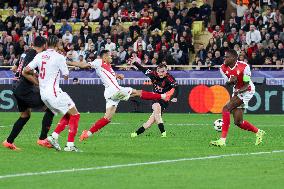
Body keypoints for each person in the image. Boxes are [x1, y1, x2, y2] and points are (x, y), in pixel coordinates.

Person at [79, 50, 174, 141]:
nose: (111, 56)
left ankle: (87, 134)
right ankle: (163, 96)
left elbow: (110, 75)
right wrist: (67, 62)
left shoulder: (108, 66)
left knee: (107, 118)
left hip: (110, 93)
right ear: (104, 57)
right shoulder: (98, 62)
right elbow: (84, 65)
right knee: (138, 92)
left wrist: (117, 76)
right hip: (115, 91)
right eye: (109, 55)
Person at [23, 35, 81, 152]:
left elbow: (26, 70)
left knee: (69, 114)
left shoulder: (39, 55)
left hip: (44, 95)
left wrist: (37, 74)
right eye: (59, 43)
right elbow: (65, 76)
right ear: (56, 45)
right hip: (54, 92)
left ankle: (53, 137)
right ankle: (70, 145)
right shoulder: (59, 57)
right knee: (75, 114)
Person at [3, 36, 54, 150]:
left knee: (25, 115)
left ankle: (9, 141)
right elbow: (25, 72)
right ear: (44, 45)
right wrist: (38, 83)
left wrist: (32, 74)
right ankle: (42, 139)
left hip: (16, 86)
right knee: (50, 108)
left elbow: (14, 68)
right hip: (24, 88)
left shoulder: (25, 52)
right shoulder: (35, 54)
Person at [210, 49, 265, 147]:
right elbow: (228, 83)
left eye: (227, 57)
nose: (224, 58)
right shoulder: (222, 68)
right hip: (237, 90)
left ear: (234, 58)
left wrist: (238, 91)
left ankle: (222, 140)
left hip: (247, 90)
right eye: (224, 56)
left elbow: (247, 84)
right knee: (238, 122)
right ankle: (259, 132)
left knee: (226, 108)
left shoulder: (244, 66)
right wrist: (231, 82)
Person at [130, 59, 179, 138]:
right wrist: (135, 63)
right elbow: (143, 69)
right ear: (157, 71)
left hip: (164, 101)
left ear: (166, 71)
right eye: (159, 71)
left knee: (149, 122)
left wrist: (175, 97)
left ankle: (136, 134)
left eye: (163, 71)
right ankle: (163, 132)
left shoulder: (169, 78)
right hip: (155, 98)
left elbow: (177, 87)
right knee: (157, 108)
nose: (161, 73)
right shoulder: (153, 74)